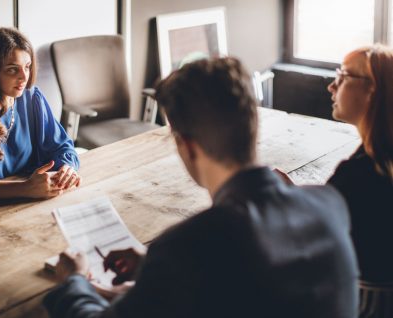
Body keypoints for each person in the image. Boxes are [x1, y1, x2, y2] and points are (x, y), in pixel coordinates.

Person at [44, 57, 359, 318]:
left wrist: (74, 281)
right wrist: (152, 269)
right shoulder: (329, 205)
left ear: (187, 146)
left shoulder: (188, 247)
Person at [0, 27, 81, 204]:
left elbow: (62, 146)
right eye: (13, 70)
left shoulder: (31, 97)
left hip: (28, 203)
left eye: (27, 67)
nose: (24, 77)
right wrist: (24, 188)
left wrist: (67, 168)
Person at [326, 44, 393, 317]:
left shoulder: (357, 177)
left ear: (372, 90)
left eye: (343, 77)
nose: (332, 86)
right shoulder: (377, 158)